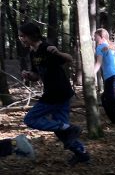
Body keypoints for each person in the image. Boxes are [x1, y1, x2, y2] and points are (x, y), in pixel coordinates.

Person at [18, 22, 90, 165]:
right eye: (20, 36)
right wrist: (28, 75)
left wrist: (57, 52)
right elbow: (37, 75)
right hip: (58, 92)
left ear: (31, 35)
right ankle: (82, 153)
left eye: (23, 36)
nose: (21, 39)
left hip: (57, 92)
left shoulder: (46, 47)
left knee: (30, 119)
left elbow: (69, 58)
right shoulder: (33, 52)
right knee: (62, 130)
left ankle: (70, 128)